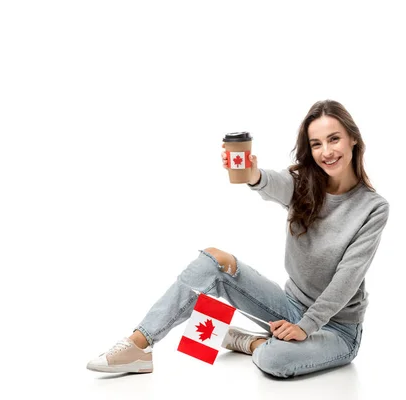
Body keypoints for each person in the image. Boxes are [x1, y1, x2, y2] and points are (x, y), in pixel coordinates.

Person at [86, 99, 390, 378]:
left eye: (334, 139)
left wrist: (305, 327)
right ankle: (139, 345)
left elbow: (346, 282)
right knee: (214, 260)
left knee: (275, 360)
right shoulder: (304, 185)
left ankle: (254, 343)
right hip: (289, 307)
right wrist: (252, 174)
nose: (327, 151)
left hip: (337, 329)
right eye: (316, 144)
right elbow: (272, 182)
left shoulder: (373, 208)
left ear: (353, 138)